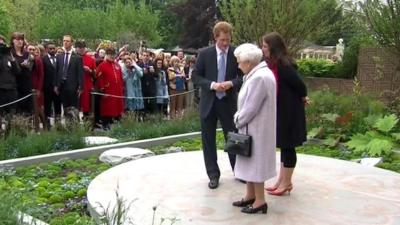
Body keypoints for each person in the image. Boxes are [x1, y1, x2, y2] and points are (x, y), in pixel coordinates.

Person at [192, 21, 242, 189]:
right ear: (215, 38)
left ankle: (239, 171)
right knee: (208, 140)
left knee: (233, 137)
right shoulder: (204, 54)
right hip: (209, 103)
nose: (226, 43)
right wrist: (212, 85)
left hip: (228, 103)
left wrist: (231, 83)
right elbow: (196, 77)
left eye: (228, 40)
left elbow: (244, 77)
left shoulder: (236, 54)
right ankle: (213, 175)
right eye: (222, 40)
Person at [231, 43, 276, 214]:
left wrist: (237, 119)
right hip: (254, 129)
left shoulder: (259, 77)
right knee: (251, 164)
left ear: (248, 62)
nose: (238, 65)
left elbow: (250, 108)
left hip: (256, 130)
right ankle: (250, 196)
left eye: (239, 61)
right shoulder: (258, 74)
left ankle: (260, 201)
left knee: (256, 166)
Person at [262, 32, 309, 196]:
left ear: (273, 47)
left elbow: (300, 85)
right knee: (284, 146)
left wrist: (303, 96)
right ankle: (281, 181)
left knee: (288, 146)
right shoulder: (273, 63)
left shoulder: (284, 65)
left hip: (290, 113)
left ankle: (287, 182)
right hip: (281, 112)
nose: (263, 49)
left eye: (265, 46)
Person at [55, 35, 84, 120]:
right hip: (62, 86)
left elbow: (80, 73)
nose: (65, 42)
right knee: (65, 107)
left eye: (67, 41)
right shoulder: (59, 56)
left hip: (73, 86)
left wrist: (81, 87)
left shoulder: (77, 57)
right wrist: (56, 85)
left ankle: (75, 126)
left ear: (71, 43)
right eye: (64, 41)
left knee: (74, 108)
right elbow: (57, 71)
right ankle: (68, 126)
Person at [96, 48, 124, 129]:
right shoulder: (102, 65)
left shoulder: (117, 65)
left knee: (117, 108)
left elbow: (121, 78)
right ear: (106, 55)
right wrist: (102, 89)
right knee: (107, 108)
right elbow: (99, 78)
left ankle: (116, 123)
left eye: (113, 54)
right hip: (108, 91)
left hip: (117, 91)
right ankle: (105, 124)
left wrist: (122, 87)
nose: (112, 56)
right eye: (110, 54)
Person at [75, 41, 97, 119]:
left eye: (83, 48)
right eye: (80, 48)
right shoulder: (72, 58)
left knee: (86, 107)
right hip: (75, 85)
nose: (81, 49)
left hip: (87, 85)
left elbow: (95, 75)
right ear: (76, 48)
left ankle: (87, 125)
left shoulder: (91, 59)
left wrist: (90, 70)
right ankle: (75, 123)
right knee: (75, 106)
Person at [42, 42, 61, 129]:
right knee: (48, 106)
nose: (52, 50)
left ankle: (58, 124)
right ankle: (47, 124)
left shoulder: (58, 59)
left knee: (58, 106)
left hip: (57, 87)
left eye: (54, 48)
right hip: (47, 87)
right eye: (50, 48)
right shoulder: (43, 59)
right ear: (46, 49)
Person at [0, 42, 20, 125]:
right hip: (1, 89)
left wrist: (13, 60)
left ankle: (10, 131)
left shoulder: (10, 58)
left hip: (12, 89)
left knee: (11, 112)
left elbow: (18, 71)